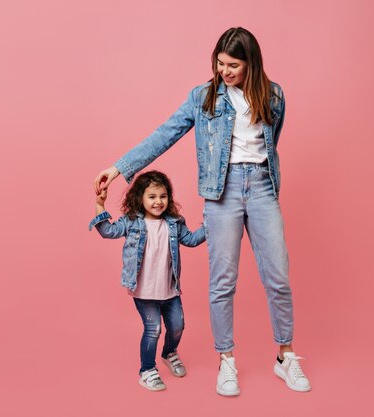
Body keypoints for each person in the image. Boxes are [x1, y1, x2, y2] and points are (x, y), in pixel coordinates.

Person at [93, 27, 311, 395]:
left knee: (278, 278)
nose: (224, 71)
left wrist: (258, 179)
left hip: (261, 188)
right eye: (220, 63)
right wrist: (118, 168)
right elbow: (165, 133)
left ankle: (285, 357)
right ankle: (227, 361)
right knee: (222, 282)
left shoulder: (274, 96)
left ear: (250, 65)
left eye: (233, 65)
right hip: (221, 192)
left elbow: (270, 144)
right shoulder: (203, 98)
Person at [88, 170, 206, 391]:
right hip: (143, 291)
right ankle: (147, 370)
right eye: (152, 197)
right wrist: (99, 205)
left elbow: (190, 240)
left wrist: (211, 224)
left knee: (177, 326)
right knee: (153, 329)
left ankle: (169, 353)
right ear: (140, 198)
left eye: (163, 196)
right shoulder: (131, 222)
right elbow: (107, 231)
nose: (158, 201)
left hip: (170, 290)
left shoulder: (174, 223)